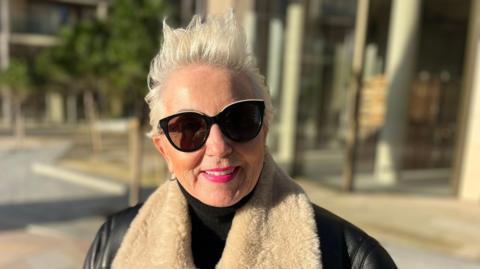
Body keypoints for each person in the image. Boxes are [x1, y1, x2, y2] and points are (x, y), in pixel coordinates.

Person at [83, 12, 397, 269]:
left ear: (265, 130)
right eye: (188, 128)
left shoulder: (351, 259)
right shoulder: (114, 244)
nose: (219, 147)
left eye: (239, 120)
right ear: (163, 149)